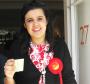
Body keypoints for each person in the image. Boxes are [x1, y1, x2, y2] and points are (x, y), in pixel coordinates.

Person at [4, 0, 77, 84]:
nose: (35, 24)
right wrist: (9, 77)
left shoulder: (60, 46)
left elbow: (69, 78)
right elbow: (11, 80)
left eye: (39, 19)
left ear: (46, 21)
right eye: (30, 20)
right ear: (25, 25)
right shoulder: (17, 48)